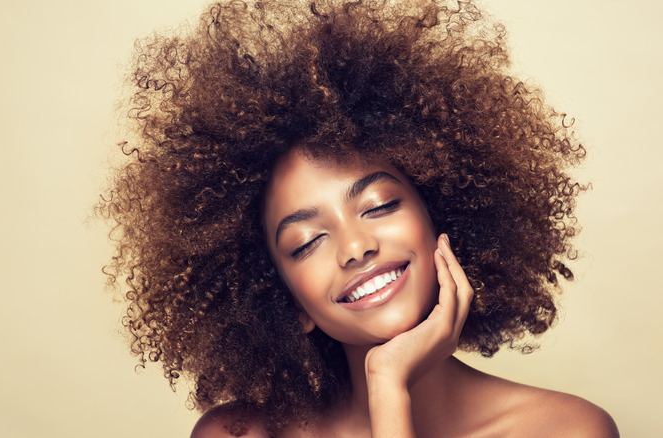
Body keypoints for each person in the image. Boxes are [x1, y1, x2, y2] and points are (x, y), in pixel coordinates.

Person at [99, 0, 619, 436]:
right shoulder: (237, 436)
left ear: (444, 219)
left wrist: (390, 387)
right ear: (287, 301)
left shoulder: (564, 429)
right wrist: (387, 388)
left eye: (379, 206)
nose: (354, 247)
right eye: (306, 242)